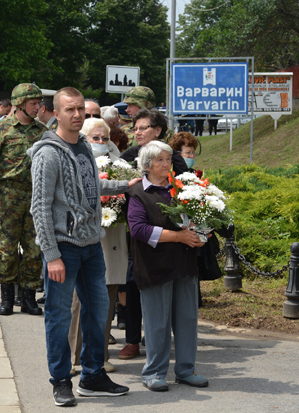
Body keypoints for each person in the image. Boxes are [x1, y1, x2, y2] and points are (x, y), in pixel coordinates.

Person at [30, 87, 136, 406]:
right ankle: (61, 380)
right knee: (59, 316)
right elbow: (40, 207)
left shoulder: (84, 146)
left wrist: (124, 185)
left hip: (92, 245)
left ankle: (92, 376)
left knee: (98, 311)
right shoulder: (48, 153)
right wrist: (52, 256)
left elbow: (90, 187)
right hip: (63, 249)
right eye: (70, 109)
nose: (77, 115)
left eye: (80, 108)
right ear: (56, 114)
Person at [127, 140, 208, 391]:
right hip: (155, 266)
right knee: (157, 323)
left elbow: (200, 218)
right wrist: (178, 237)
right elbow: (138, 229)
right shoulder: (138, 192)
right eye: (160, 160)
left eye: (168, 159)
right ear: (147, 165)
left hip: (184, 263)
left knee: (187, 320)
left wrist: (201, 234)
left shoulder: (182, 187)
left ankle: (186, 370)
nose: (166, 164)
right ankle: (154, 373)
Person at [118, 108, 188, 361]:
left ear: (157, 130)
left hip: (169, 233)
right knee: (133, 282)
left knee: (166, 286)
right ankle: (132, 339)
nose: (137, 132)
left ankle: (158, 338)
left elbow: (187, 190)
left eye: (143, 127)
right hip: (136, 231)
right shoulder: (128, 157)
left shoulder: (174, 159)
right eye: (135, 128)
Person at [0, 83, 46, 316]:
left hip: (35, 197)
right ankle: (7, 298)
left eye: (39, 103)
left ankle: (28, 298)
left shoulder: (42, 131)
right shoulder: (1, 129)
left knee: (34, 250)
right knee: (7, 251)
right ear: (19, 104)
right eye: (33, 103)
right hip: (8, 197)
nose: (37, 107)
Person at [66, 118, 128, 375]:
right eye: (95, 138)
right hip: (85, 237)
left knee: (106, 301)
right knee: (80, 301)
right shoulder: (73, 160)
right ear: (84, 138)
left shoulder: (120, 164)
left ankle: (100, 356)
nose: (101, 142)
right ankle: (73, 358)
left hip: (112, 239)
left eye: (105, 138)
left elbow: (129, 193)